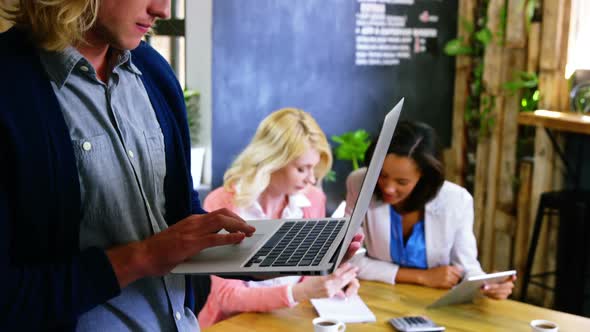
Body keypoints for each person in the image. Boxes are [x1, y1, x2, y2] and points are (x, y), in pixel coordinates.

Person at [0, 1, 259, 331]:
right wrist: (142, 257)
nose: (162, 10)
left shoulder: (153, 70)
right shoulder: (8, 86)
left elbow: (179, 215)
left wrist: (257, 256)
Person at [198, 108, 360, 328]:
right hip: (231, 325)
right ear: (272, 160)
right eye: (302, 169)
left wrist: (333, 282)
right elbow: (227, 297)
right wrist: (298, 292)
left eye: (314, 169)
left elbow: (308, 276)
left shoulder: (312, 200)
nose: (311, 179)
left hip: (289, 321)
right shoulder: (222, 203)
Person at [346, 121, 515, 300]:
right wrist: (422, 277)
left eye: (402, 182)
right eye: (382, 174)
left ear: (424, 177)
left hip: (432, 303)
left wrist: (486, 284)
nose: (388, 188)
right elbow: (349, 259)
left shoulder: (456, 200)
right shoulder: (359, 184)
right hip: (375, 295)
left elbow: (466, 266)